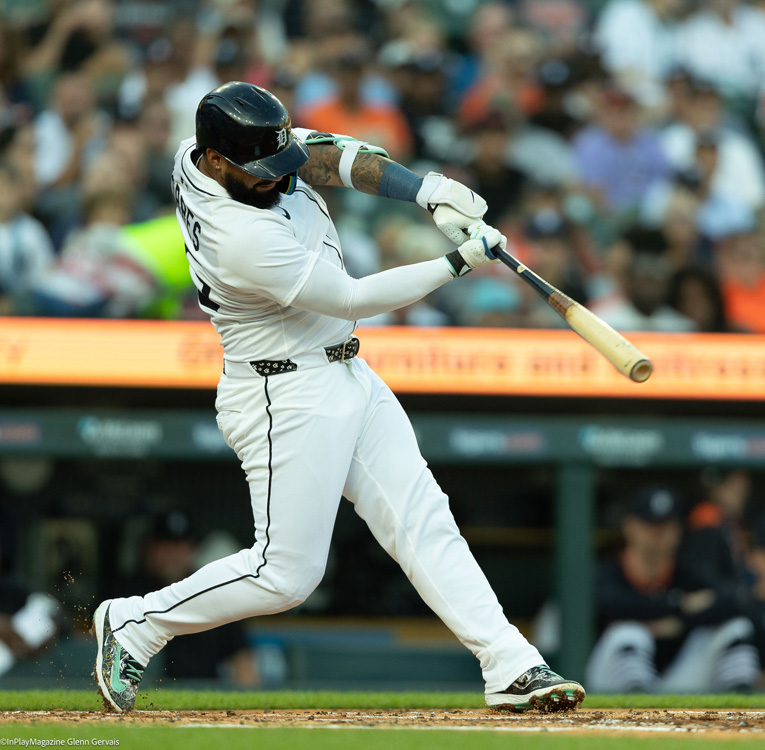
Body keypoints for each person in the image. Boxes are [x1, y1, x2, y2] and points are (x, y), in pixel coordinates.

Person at [91, 80, 585, 714]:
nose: (278, 177)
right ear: (216, 160)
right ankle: (135, 623)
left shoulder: (216, 152)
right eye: (263, 169)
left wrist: (425, 190)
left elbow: (328, 157)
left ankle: (510, 663)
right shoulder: (235, 235)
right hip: (282, 391)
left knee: (423, 517)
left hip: (344, 371)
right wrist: (458, 262)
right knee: (285, 576)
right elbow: (353, 298)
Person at [586, 484, 760, 693]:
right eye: (651, 525)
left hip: (676, 677)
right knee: (629, 632)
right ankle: (636, 705)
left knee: (735, 627)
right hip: (607, 679)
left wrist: (679, 622)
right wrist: (679, 604)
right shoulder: (609, 571)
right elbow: (610, 603)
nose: (660, 534)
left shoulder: (685, 572)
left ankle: (742, 704)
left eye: (667, 525)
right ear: (630, 526)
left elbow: (733, 602)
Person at [115, 511, 259, 686]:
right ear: (151, 548)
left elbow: (242, 662)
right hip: (146, 696)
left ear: (193, 549)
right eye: (166, 545)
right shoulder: (131, 595)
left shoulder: (213, 591)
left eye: (180, 545)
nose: (173, 554)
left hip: (204, 697)